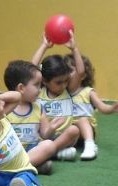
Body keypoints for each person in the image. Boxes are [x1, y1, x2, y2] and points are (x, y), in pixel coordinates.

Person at [3, 59, 78, 174]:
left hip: (33, 150)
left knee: (49, 145)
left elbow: (45, 135)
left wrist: (52, 128)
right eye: (36, 85)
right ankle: (32, 166)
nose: (39, 90)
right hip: (11, 152)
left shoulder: (38, 108)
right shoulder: (5, 109)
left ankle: (24, 166)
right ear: (21, 88)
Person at [31, 32, 82, 161]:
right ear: (44, 81)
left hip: (63, 137)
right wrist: (44, 46)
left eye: (66, 80)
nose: (63, 85)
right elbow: (30, 70)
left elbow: (80, 72)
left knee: (74, 130)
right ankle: (55, 153)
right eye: (58, 82)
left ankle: (48, 153)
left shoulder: (68, 89)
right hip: (43, 136)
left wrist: (74, 49)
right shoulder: (39, 91)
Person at [63, 54, 118, 160]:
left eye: (70, 71)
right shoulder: (61, 93)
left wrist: (112, 108)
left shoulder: (88, 92)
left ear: (82, 75)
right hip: (69, 131)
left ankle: (90, 145)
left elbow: (102, 107)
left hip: (85, 131)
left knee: (82, 120)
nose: (66, 75)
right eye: (65, 71)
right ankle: (62, 149)